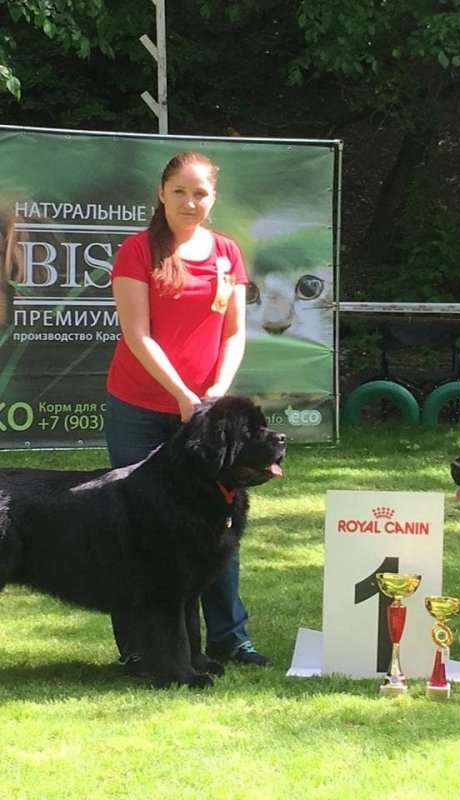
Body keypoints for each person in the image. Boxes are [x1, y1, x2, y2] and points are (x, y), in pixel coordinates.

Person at [105, 150, 270, 674]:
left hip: (208, 421)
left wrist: (216, 394)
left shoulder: (226, 253)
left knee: (218, 525)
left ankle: (228, 638)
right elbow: (138, 334)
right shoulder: (137, 251)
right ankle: (138, 645)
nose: (190, 202)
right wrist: (183, 396)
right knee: (133, 530)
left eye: (200, 193)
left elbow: (236, 333)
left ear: (213, 197)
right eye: (179, 191)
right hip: (139, 409)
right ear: (161, 193)